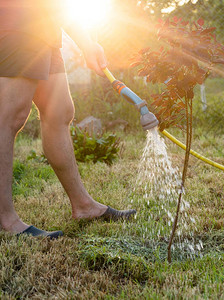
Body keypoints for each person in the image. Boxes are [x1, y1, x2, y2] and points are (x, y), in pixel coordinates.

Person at [0, 0, 136, 238]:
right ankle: (5, 219)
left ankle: (83, 205)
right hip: (18, 23)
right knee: (9, 116)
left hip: (44, 30)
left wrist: (87, 43)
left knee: (59, 112)